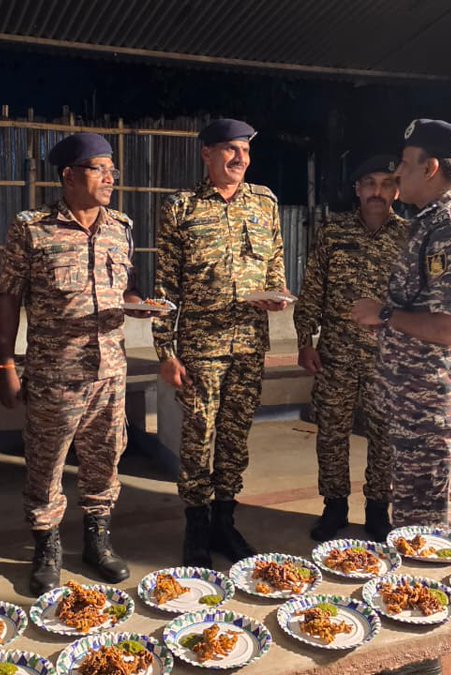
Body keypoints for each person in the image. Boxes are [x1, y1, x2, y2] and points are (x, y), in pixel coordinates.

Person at [0, 133, 150, 595]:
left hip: (111, 370)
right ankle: (46, 546)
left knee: (105, 460)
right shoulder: (31, 228)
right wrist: (6, 363)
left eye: (112, 171)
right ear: (68, 174)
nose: (110, 179)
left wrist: (138, 305)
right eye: (99, 168)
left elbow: (126, 291)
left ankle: (97, 542)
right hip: (54, 374)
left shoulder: (120, 226)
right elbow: (8, 297)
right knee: (46, 463)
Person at [153, 118, 288, 566]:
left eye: (246, 151)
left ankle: (225, 523)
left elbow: (275, 261)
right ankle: (196, 528)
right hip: (200, 345)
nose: (240, 159)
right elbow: (164, 289)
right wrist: (166, 353)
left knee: (235, 438)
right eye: (230, 150)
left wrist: (277, 295)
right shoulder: (181, 208)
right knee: (198, 436)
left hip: (249, 342)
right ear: (207, 154)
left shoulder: (264, 203)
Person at [350, 119, 451, 530]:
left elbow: (449, 328)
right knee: (421, 507)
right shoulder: (433, 222)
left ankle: (429, 588)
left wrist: (382, 314)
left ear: (430, 168)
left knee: (424, 519)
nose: (397, 174)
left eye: (405, 164)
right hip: (420, 398)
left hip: (433, 402)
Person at [294, 154, 406, 542]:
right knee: (331, 434)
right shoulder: (333, 232)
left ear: (397, 190)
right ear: (357, 190)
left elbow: (415, 303)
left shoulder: (409, 238)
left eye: (386, 183)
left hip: (388, 360)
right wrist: (304, 340)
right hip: (336, 356)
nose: (378, 191)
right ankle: (334, 507)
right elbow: (312, 289)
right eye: (370, 184)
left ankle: (378, 510)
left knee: (385, 438)